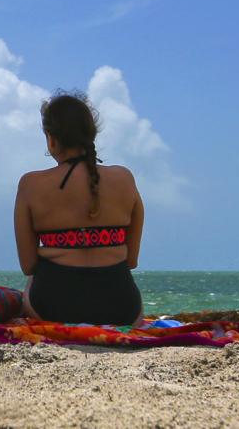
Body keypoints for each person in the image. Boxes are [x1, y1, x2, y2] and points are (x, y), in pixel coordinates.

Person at [13, 91, 145, 325]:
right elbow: (131, 261)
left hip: (53, 308)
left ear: (51, 138)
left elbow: (28, 265)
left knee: (32, 281)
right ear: (91, 134)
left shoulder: (30, 184)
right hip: (122, 308)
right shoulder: (124, 179)